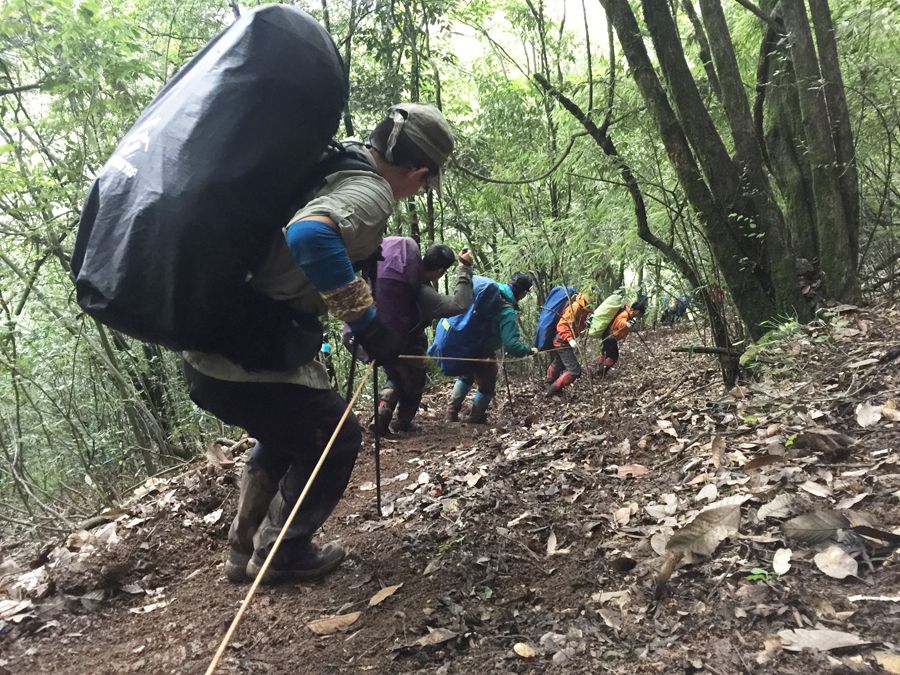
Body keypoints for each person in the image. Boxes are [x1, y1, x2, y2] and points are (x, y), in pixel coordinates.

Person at [182, 103, 453, 584]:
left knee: (287, 434)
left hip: (214, 339)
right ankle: (280, 553)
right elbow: (310, 234)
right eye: (424, 182)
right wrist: (367, 322)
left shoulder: (337, 159)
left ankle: (243, 550)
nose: (418, 191)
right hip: (254, 346)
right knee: (337, 437)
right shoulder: (371, 190)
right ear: (418, 170)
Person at [372, 237, 475, 433]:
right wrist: (464, 270)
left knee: (394, 376)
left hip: (382, 337)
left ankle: (381, 415)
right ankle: (401, 423)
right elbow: (459, 304)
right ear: (440, 271)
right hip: (408, 343)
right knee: (414, 382)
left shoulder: (400, 277)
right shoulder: (423, 292)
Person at [445, 272, 535, 424]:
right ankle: (476, 417)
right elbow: (511, 344)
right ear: (524, 293)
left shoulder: (489, 291)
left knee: (466, 376)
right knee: (487, 384)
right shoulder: (507, 311)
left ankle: (451, 414)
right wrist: (528, 350)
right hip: (483, 350)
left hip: (467, 342)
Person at [545, 290, 591, 396]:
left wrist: (585, 325)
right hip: (562, 341)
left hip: (562, 340)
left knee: (558, 363)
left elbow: (576, 326)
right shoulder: (575, 307)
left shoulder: (583, 309)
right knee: (575, 371)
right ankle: (552, 390)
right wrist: (569, 339)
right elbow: (562, 325)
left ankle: (549, 383)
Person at [596, 298, 647, 373]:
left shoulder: (629, 315)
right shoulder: (625, 314)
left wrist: (629, 323)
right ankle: (601, 371)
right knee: (613, 357)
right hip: (611, 337)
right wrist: (627, 324)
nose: (640, 317)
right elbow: (620, 322)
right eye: (640, 315)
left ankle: (599, 368)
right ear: (638, 312)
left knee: (605, 352)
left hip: (607, 334)